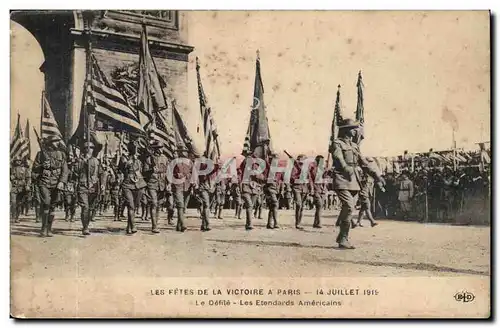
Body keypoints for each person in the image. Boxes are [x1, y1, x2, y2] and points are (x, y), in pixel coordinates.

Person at [331, 118, 385, 249]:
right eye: (353, 128)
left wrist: (377, 176)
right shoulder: (337, 143)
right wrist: (345, 167)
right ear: (346, 130)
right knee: (349, 207)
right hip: (342, 178)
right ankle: (343, 238)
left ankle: (343, 237)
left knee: (349, 210)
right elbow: (338, 156)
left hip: (354, 181)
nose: (356, 131)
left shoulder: (355, 146)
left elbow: (364, 164)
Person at [32, 139, 69, 237]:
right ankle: (43, 228)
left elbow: (65, 170)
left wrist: (62, 182)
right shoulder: (40, 154)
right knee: (46, 203)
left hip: (57, 182)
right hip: (44, 182)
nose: (57, 143)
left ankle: (49, 228)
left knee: (52, 206)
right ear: (50, 143)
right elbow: (34, 168)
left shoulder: (61, 154)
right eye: (55, 141)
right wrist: (42, 166)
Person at [74, 140, 103, 235]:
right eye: (86, 148)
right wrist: (82, 161)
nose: (88, 150)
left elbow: (101, 173)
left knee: (90, 208)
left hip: (93, 187)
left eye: (91, 148)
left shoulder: (96, 161)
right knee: (85, 207)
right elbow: (76, 172)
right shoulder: (80, 160)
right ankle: (85, 227)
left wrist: (102, 184)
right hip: (83, 186)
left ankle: (87, 223)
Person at [119, 141, 147, 235]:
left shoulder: (139, 160)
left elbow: (142, 171)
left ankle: (129, 226)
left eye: (137, 148)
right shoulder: (124, 158)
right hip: (127, 184)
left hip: (138, 184)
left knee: (134, 207)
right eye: (134, 148)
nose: (136, 150)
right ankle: (133, 226)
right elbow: (122, 168)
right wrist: (129, 162)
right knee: (130, 205)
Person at [143, 141, 168, 233]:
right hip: (152, 183)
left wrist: (168, 184)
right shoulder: (149, 159)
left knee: (158, 205)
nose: (161, 149)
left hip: (161, 184)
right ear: (156, 149)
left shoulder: (164, 158)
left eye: (162, 147)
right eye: (160, 148)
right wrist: (151, 169)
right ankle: (154, 226)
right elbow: (144, 172)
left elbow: (167, 172)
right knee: (154, 203)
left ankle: (156, 224)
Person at [355, 159, 379, 227]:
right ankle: (372, 221)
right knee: (367, 207)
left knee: (363, 208)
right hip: (363, 193)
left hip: (368, 194)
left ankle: (358, 222)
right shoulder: (363, 175)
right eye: (370, 162)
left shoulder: (371, 176)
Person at [291, 154, 309, 230]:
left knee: (301, 207)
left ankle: (299, 223)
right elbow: (292, 179)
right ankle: (297, 223)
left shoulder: (306, 169)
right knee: (298, 204)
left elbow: (310, 179)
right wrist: (299, 175)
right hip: (297, 188)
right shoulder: (294, 168)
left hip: (304, 188)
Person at [10, 156, 31, 223]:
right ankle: (13, 217)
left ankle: (17, 217)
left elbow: (28, 178)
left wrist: (27, 185)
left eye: (19, 160)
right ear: (14, 161)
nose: (18, 162)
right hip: (13, 187)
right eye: (16, 161)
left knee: (19, 203)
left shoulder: (24, 169)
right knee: (13, 202)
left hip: (22, 187)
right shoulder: (10, 169)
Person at [264, 153, 280, 229]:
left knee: (272, 207)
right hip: (269, 188)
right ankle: (276, 223)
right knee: (275, 204)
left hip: (276, 189)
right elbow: (262, 177)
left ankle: (269, 224)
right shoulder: (266, 168)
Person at [311, 155, 327, 228]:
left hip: (322, 190)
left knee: (319, 207)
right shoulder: (314, 169)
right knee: (319, 205)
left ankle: (315, 223)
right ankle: (319, 223)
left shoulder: (323, 169)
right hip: (316, 189)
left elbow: (325, 179)